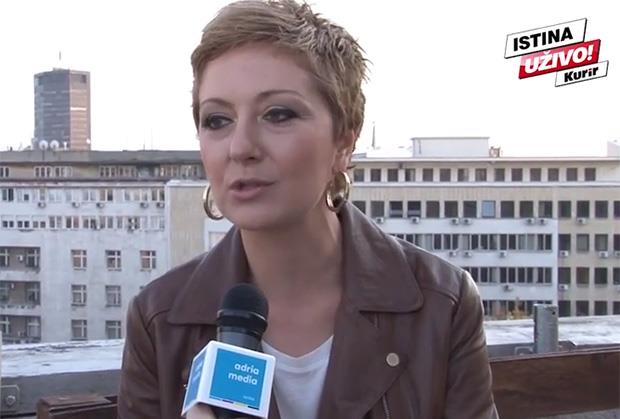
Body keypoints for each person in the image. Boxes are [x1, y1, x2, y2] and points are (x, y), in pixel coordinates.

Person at [117, 0, 499, 418]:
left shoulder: (441, 302)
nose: (240, 147)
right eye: (217, 120)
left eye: (278, 114)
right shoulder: (159, 319)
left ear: (344, 141)